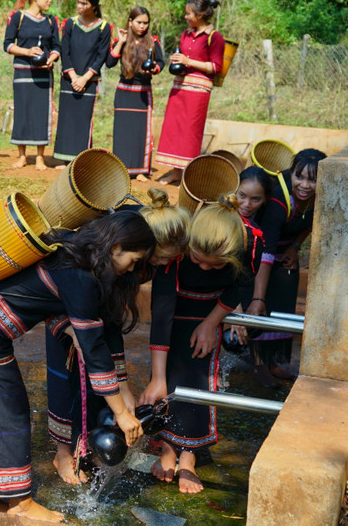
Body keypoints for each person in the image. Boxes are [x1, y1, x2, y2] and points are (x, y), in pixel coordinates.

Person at [0, 212, 155, 521]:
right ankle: (18, 503)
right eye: (133, 261)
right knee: (2, 413)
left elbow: (44, 299)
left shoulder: (73, 247)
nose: (131, 269)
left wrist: (73, 332)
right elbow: (95, 351)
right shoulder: (81, 277)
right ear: (116, 247)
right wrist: (122, 414)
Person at [45, 188, 188, 485]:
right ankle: (63, 452)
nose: (163, 266)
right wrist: (120, 397)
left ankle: (86, 444)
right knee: (67, 375)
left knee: (102, 381)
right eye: (160, 259)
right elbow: (104, 328)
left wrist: (122, 387)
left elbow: (112, 322)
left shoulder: (132, 259)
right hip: (65, 306)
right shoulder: (119, 247)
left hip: (96, 311)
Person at [138, 196, 263, 494]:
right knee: (167, 375)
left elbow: (242, 285)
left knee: (198, 375)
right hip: (175, 308)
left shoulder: (250, 242)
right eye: (197, 260)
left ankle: (188, 454)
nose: (205, 267)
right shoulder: (179, 241)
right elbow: (162, 311)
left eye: (216, 264)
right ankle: (168, 446)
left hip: (212, 308)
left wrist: (211, 323)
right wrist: (157, 378)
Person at [245, 149, 326, 383]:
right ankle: (258, 364)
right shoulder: (279, 200)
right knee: (260, 304)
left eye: (313, 180)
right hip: (260, 251)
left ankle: (273, 361)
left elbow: (311, 223)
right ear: (292, 173)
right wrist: (258, 298)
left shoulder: (322, 197)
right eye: (299, 177)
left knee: (283, 300)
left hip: (285, 250)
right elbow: (266, 252)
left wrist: (295, 246)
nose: (305, 185)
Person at [155, 0, 224, 184]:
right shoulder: (186, 34)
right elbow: (185, 58)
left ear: (200, 15)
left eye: (188, 13)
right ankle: (176, 173)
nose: (185, 17)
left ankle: (188, 176)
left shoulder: (214, 37)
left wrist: (188, 61)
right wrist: (178, 60)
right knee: (175, 129)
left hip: (198, 93)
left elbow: (216, 66)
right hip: (179, 88)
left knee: (190, 133)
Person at [3, 0, 60, 170]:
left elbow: (57, 47)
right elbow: (7, 44)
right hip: (23, 73)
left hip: (43, 75)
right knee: (23, 113)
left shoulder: (51, 21)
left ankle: (40, 157)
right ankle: (22, 156)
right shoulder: (18, 17)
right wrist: (27, 52)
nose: (50, 0)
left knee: (41, 114)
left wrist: (52, 57)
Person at [54, 0, 111, 168]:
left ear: (93, 5)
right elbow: (65, 50)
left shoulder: (103, 27)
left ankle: (80, 160)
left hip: (89, 81)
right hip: (69, 79)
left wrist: (84, 78)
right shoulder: (70, 23)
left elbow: (101, 56)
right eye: (78, 2)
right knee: (67, 118)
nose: (79, 6)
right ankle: (65, 159)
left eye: (83, 3)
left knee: (83, 120)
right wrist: (73, 76)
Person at [106, 7, 165, 179]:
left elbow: (161, 62)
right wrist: (121, 42)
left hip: (143, 93)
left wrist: (154, 69)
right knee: (123, 132)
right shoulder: (121, 40)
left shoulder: (153, 41)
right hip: (124, 93)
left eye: (146, 23)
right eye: (139, 22)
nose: (142, 26)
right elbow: (109, 62)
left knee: (141, 132)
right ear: (130, 22)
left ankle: (140, 171)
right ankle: (121, 169)